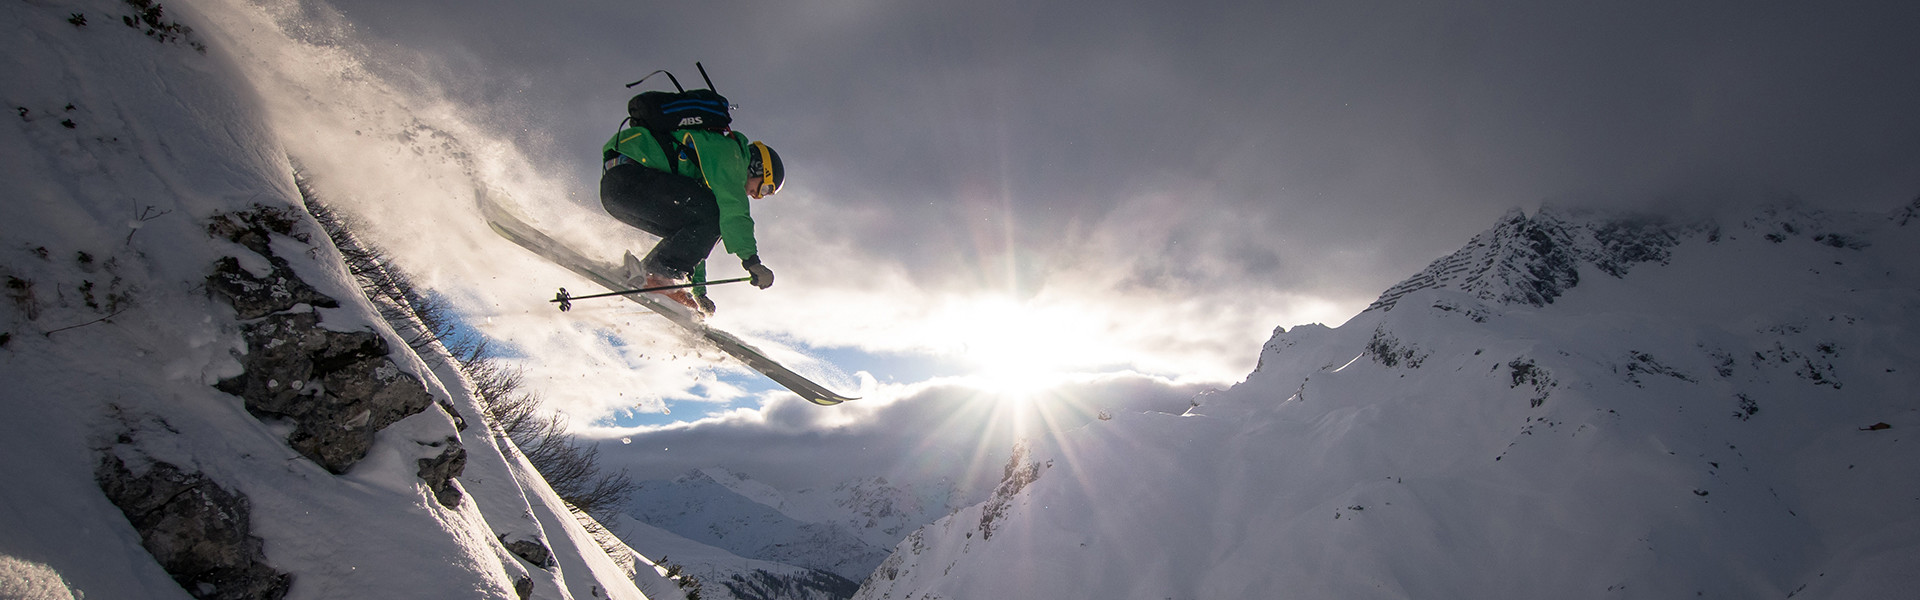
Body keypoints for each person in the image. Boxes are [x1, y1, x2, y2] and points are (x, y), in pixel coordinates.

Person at [599, 121, 783, 314]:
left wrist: (699, 292)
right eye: (764, 188)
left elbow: (694, 238)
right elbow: (735, 212)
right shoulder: (731, 154)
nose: (756, 196)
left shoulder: (713, 170)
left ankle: (652, 275)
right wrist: (752, 261)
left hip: (619, 192)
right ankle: (656, 276)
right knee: (716, 214)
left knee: (704, 220)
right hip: (629, 180)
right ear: (758, 167)